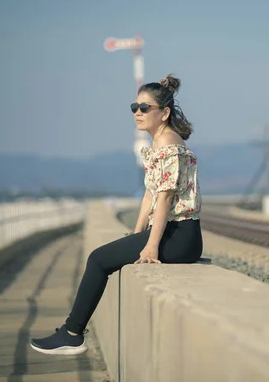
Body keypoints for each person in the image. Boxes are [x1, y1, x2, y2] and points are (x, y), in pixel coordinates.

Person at [29, 74, 203, 355]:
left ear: (164, 113)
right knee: (104, 256)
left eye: (145, 108)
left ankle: (72, 334)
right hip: (175, 233)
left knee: (98, 259)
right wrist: (137, 234)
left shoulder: (170, 147)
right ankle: (71, 332)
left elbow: (165, 199)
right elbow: (149, 195)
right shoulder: (160, 145)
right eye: (134, 107)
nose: (137, 112)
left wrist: (150, 245)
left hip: (181, 236)